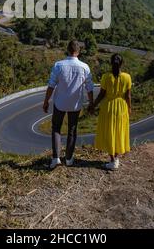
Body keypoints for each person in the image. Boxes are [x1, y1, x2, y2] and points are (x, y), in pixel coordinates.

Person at [43, 40, 94, 169]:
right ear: (78, 51)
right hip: (75, 104)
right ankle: (69, 159)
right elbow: (89, 88)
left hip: (60, 103)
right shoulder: (85, 67)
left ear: (67, 50)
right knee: (72, 130)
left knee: (56, 128)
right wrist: (91, 103)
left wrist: (46, 101)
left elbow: (51, 85)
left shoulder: (58, 65)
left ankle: (56, 158)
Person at [92, 54, 131, 170]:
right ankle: (116, 158)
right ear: (122, 64)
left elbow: (101, 95)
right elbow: (128, 96)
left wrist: (93, 105)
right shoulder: (127, 77)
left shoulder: (105, 77)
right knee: (119, 131)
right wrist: (129, 108)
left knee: (109, 132)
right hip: (121, 107)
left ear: (110, 63)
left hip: (108, 107)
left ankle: (113, 160)